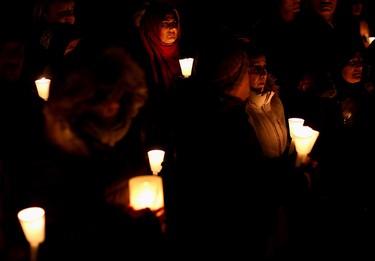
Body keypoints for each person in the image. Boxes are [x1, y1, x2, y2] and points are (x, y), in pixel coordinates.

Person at [3, 38, 168, 261]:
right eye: (102, 94)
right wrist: (127, 224)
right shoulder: (55, 155)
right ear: (80, 98)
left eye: (119, 95)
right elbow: (60, 229)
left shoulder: (121, 142)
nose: (112, 103)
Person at [170, 27, 317, 260]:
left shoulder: (210, 112)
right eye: (248, 69)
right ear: (236, 76)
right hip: (236, 241)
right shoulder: (226, 122)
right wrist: (300, 178)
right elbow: (247, 184)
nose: (259, 75)